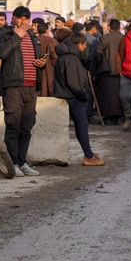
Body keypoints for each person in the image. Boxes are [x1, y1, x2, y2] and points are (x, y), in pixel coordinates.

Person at [0, 6, 47, 177]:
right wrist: (16, 36)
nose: (24, 22)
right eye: (20, 18)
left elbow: (36, 58)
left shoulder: (33, 37)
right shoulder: (5, 36)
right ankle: (12, 164)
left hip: (31, 87)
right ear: (14, 19)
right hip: (13, 86)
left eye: (27, 19)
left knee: (27, 126)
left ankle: (22, 162)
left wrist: (41, 63)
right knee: (13, 126)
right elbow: (2, 53)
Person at [54, 31, 105, 166]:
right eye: (83, 45)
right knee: (81, 126)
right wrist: (84, 95)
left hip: (69, 95)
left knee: (79, 126)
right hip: (74, 97)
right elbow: (74, 83)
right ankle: (88, 155)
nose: (84, 48)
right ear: (78, 45)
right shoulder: (71, 58)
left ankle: (88, 154)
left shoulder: (66, 56)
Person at [95, 19, 124, 124]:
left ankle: (108, 116)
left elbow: (98, 53)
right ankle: (119, 115)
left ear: (110, 27)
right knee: (118, 94)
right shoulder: (123, 38)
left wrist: (100, 64)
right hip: (121, 70)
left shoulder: (104, 38)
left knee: (106, 94)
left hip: (106, 70)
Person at [35, 22, 59, 97]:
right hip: (49, 71)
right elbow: (55, 57)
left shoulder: (34, 40)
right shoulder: (52, 41)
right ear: (47, 30)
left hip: (35, 69)